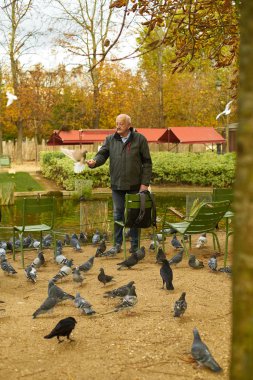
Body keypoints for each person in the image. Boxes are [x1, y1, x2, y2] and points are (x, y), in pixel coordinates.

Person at [86, 114, 152, 254]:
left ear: (129, 125)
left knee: (135, 215)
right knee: (117, 215)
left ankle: (134, 245)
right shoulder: (110, 139)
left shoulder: (140, 139)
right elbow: (102, 154)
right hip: (117, 185)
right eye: (116, 123)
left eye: (121, 123)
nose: (118, 126)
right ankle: (117, 244)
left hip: (136, 185)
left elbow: (147, 163)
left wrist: (144, 184)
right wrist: (94, 162)